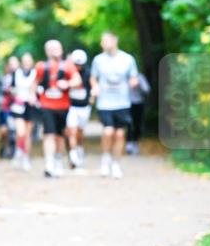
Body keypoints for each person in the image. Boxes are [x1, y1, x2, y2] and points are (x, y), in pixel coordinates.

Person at [90, 32, 139, 179]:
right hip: (104, 103)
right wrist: (95, 86)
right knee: (108, 131)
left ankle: (116, 164)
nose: (102, 43)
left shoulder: (127, 59)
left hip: (122, 102)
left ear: (114, 41)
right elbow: (93, 78)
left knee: (119, 134)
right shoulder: (98, 60)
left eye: (104, 40)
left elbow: (134, 77)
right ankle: (105, 159)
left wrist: (133, 83)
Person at [34, 40, 81, 178]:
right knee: (49, 134)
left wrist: (67, 83)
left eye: (57, 48)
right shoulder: (41, 66)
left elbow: (77, 80)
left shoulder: (68, 66)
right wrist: (32, 96)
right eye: (52, 48)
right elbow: (34, 82)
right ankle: (49, 164)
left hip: (63, 106)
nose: (55, 50)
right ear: (47, 51)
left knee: (60, 136)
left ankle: (58, 161)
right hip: (46, 105)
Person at [9, 53, 38, 172]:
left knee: (27, 134)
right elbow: (11, 88)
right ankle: (18, 151)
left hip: (30, 106)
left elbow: (39, 88)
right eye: (24, 61)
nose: (26, 63)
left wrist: (34, 96)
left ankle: (25, 157)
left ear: (32, 62)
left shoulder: (36, 73)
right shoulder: (16, 73)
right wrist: (15, 94)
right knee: (20, 132)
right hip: (18, 106)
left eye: (28, 61)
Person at [64, 49, 92, 169]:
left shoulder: (88, 73)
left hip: (84, 107)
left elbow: (93, 86)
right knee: (71, 131)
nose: (78, 67)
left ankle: (79, 148)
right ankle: (73, 156)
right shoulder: (67, 72)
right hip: (71, 107)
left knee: (79, 132)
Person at [0, 56, 19, 159]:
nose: (13, 66)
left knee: (13, 129)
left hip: (16, 107)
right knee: (4, 130)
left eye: (15, 64)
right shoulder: (3, 78)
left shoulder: (20, 77)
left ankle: (13, 150)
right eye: (11, 64)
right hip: (5, 108)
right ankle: (3, 147)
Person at [127, 70, 150, 155]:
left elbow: (147, 90)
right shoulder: (125, 77)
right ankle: (129, 143)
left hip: (138, 103)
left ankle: (135, 142)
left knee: (137, 124)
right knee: (129, 124)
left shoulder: (140, 77)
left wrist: (139, 84)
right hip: (127, 104)